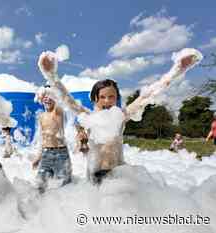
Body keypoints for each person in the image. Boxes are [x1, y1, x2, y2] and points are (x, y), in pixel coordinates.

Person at [37, 49, 202, 184]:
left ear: (117, 98)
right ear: (95, 98)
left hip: (118, 172)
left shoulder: (121, 115)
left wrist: (178, 69)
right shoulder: (88, 116)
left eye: (112, 97)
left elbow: (147, 96)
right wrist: (50, 74)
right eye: (102, 97)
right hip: (95, 173)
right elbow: (67, 99)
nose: (107, 101)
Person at [31, 85, 72, 193]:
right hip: (46, 153)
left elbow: (60, 99)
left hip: (60, 153)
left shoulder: (58, 112)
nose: (47, 98)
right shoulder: (41, 116)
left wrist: (52, 90)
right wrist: (38, 157)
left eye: (50, 95)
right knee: (40, 185)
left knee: (64, 188)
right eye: (44, 96)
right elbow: (42, 138)